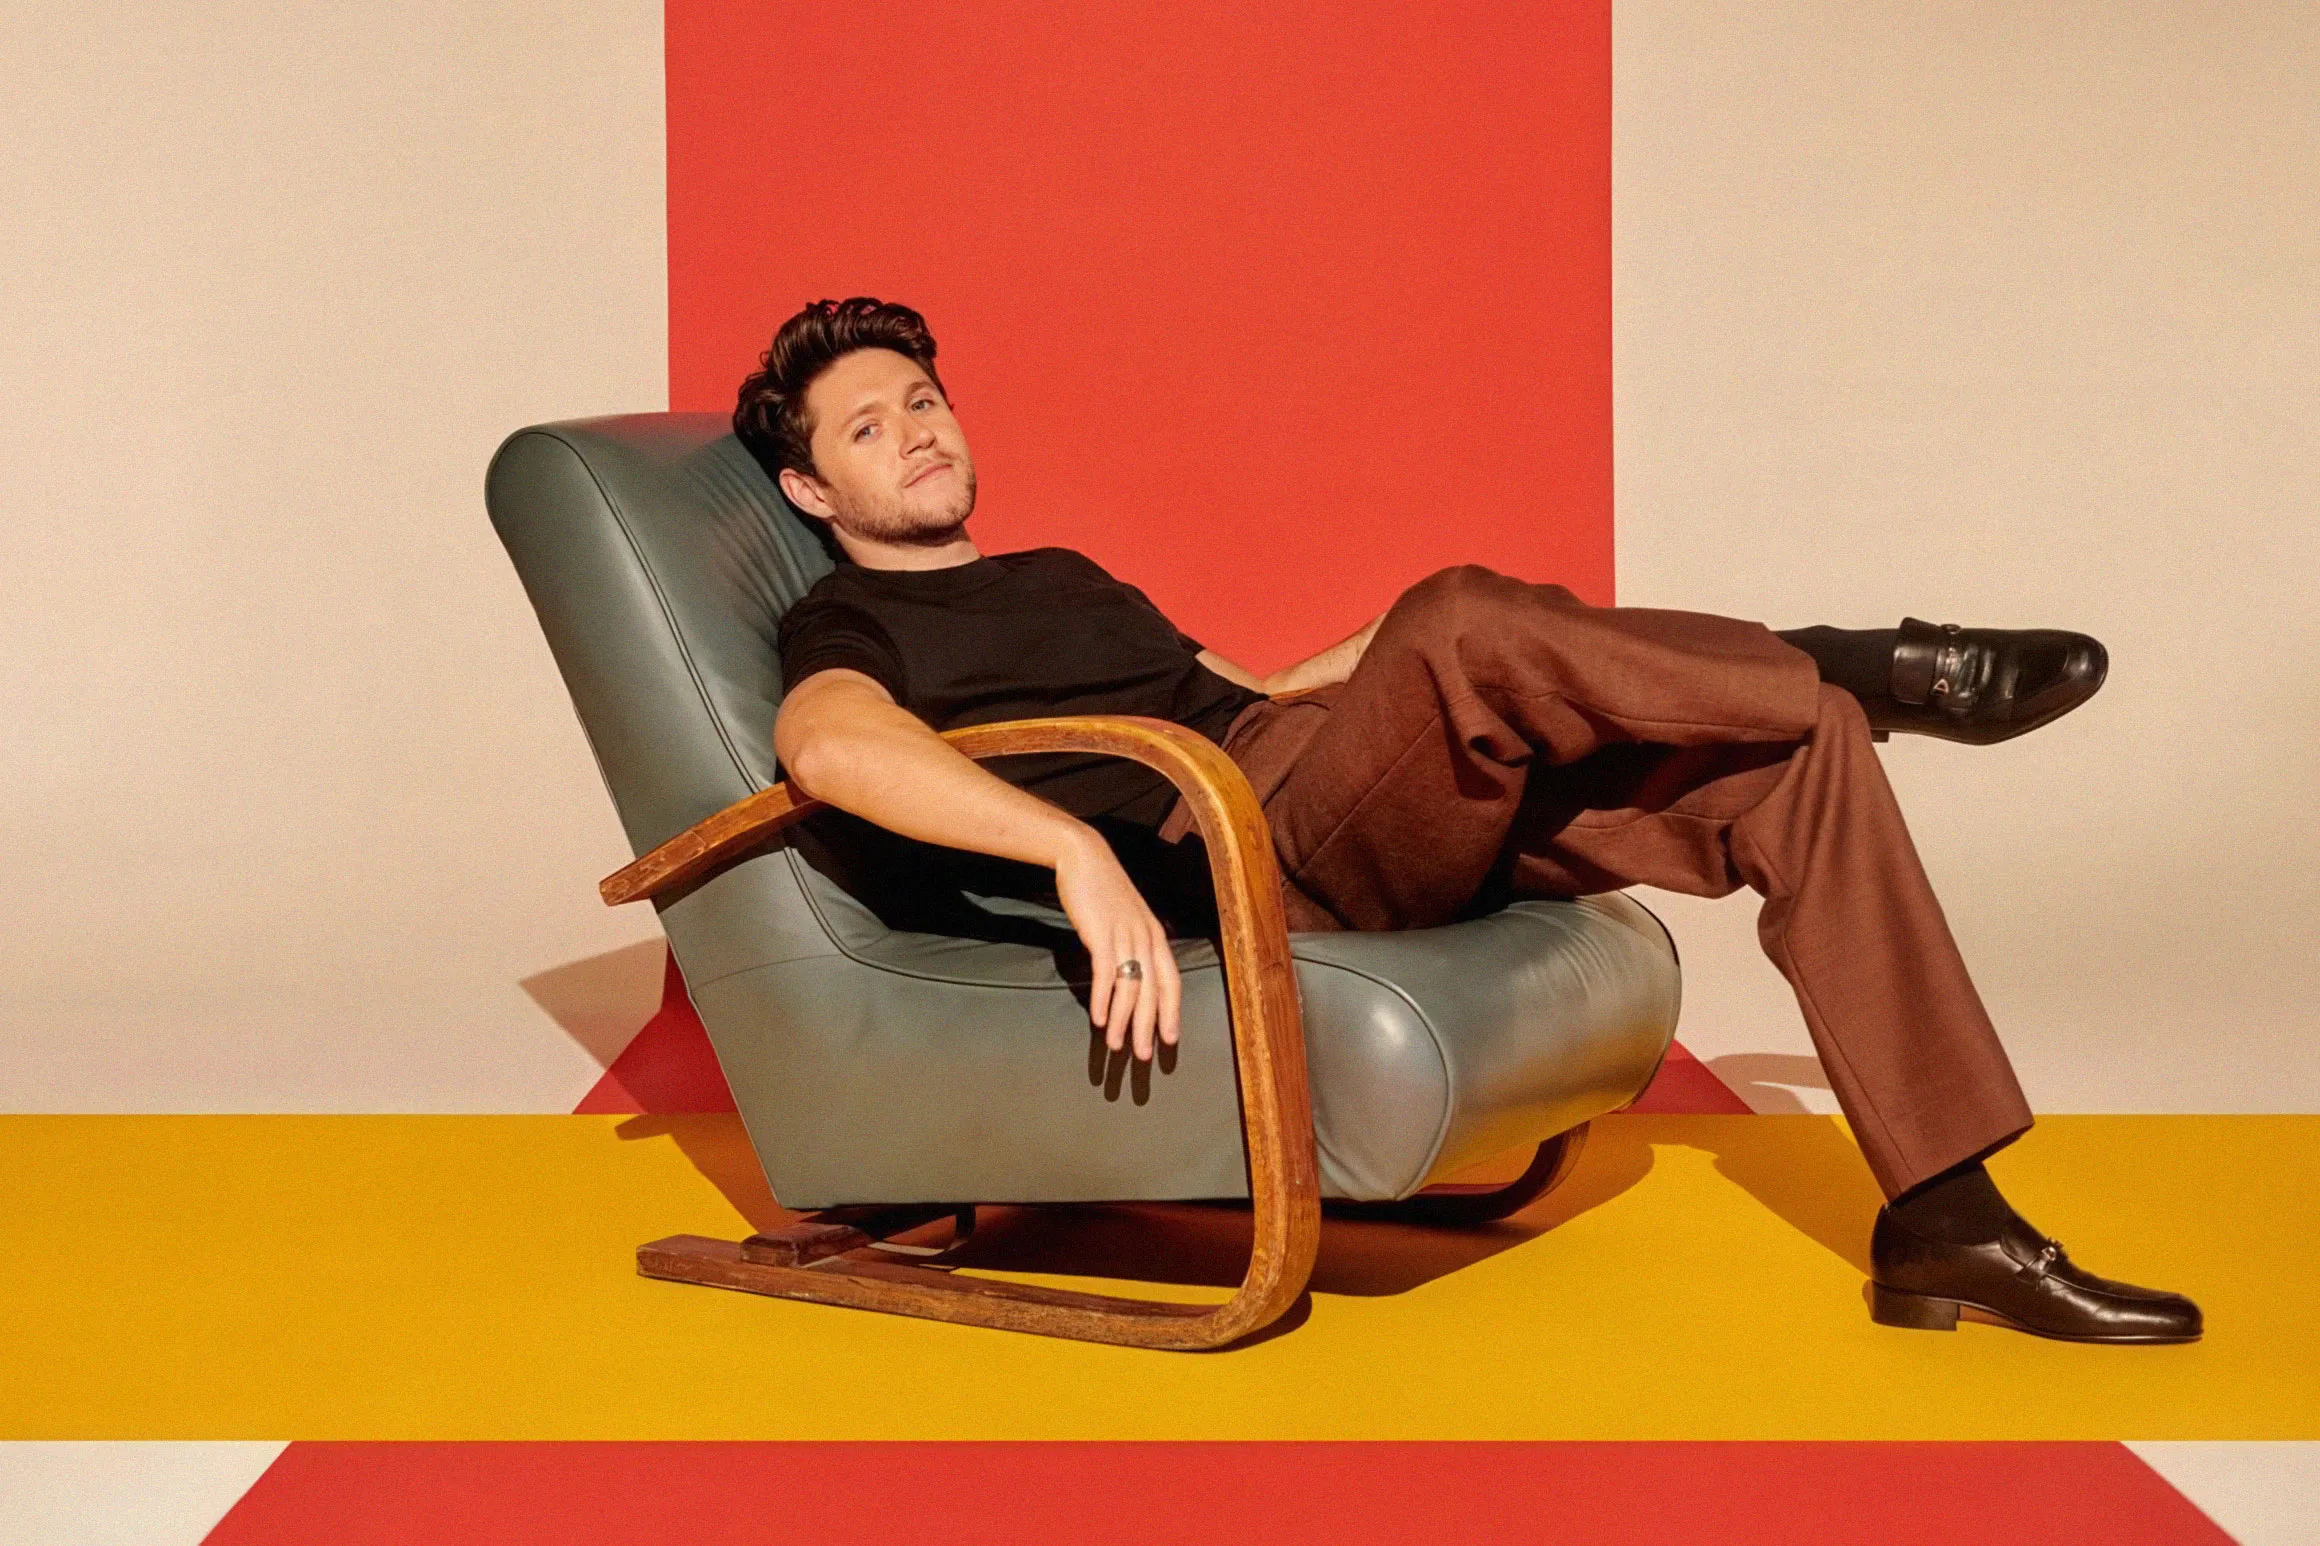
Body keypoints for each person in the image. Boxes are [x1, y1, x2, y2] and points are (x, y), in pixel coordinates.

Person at [735, 296, 2199, 1346]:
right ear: (810, 485)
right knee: (1463, 616)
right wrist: (1065, 848)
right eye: (867, 426)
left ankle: (1946, 1210)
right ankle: (1849, 659)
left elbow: (1254, 689)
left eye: (922, 399)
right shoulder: (849, 618)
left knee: (1795, 754)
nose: (914, 432)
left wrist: (1404, 652)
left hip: (1312, 775)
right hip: (1242, 850)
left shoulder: (1059, 572)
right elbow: (827, 743)